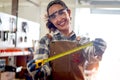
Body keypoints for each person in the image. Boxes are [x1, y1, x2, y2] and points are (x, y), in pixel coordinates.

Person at [27, 0, 107, 80]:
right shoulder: (45, 41)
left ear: (68, 12)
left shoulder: (82, 40)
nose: (59, 19)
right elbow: (44, 71)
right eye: (53, 16)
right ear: (51, 20)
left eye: (61, 13)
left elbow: (92, 55)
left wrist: (98, 48)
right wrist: (37, 71)